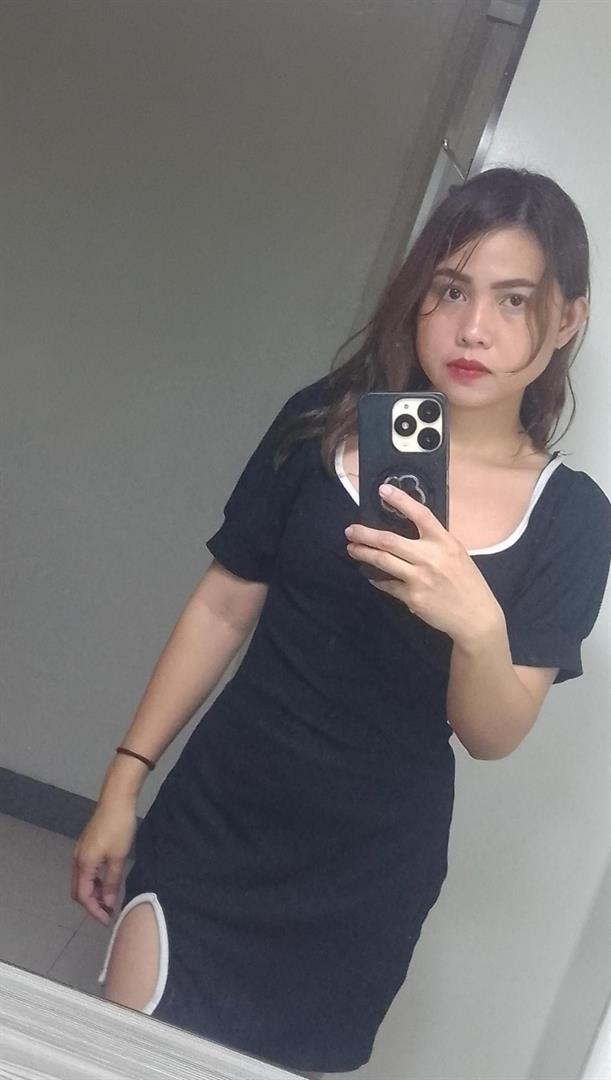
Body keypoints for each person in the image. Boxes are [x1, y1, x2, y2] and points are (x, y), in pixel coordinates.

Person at [71, 167, 611, 1078]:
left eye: (513, 300)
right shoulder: (322, 425)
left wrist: (475, 624)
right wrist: (123, 783)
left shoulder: (569, 517)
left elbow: (491, 735)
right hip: (219, 819)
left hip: (365, 872)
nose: (472, 329)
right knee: (124, 1058)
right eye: (451, 290)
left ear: (566, 319)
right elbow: (223, 602)